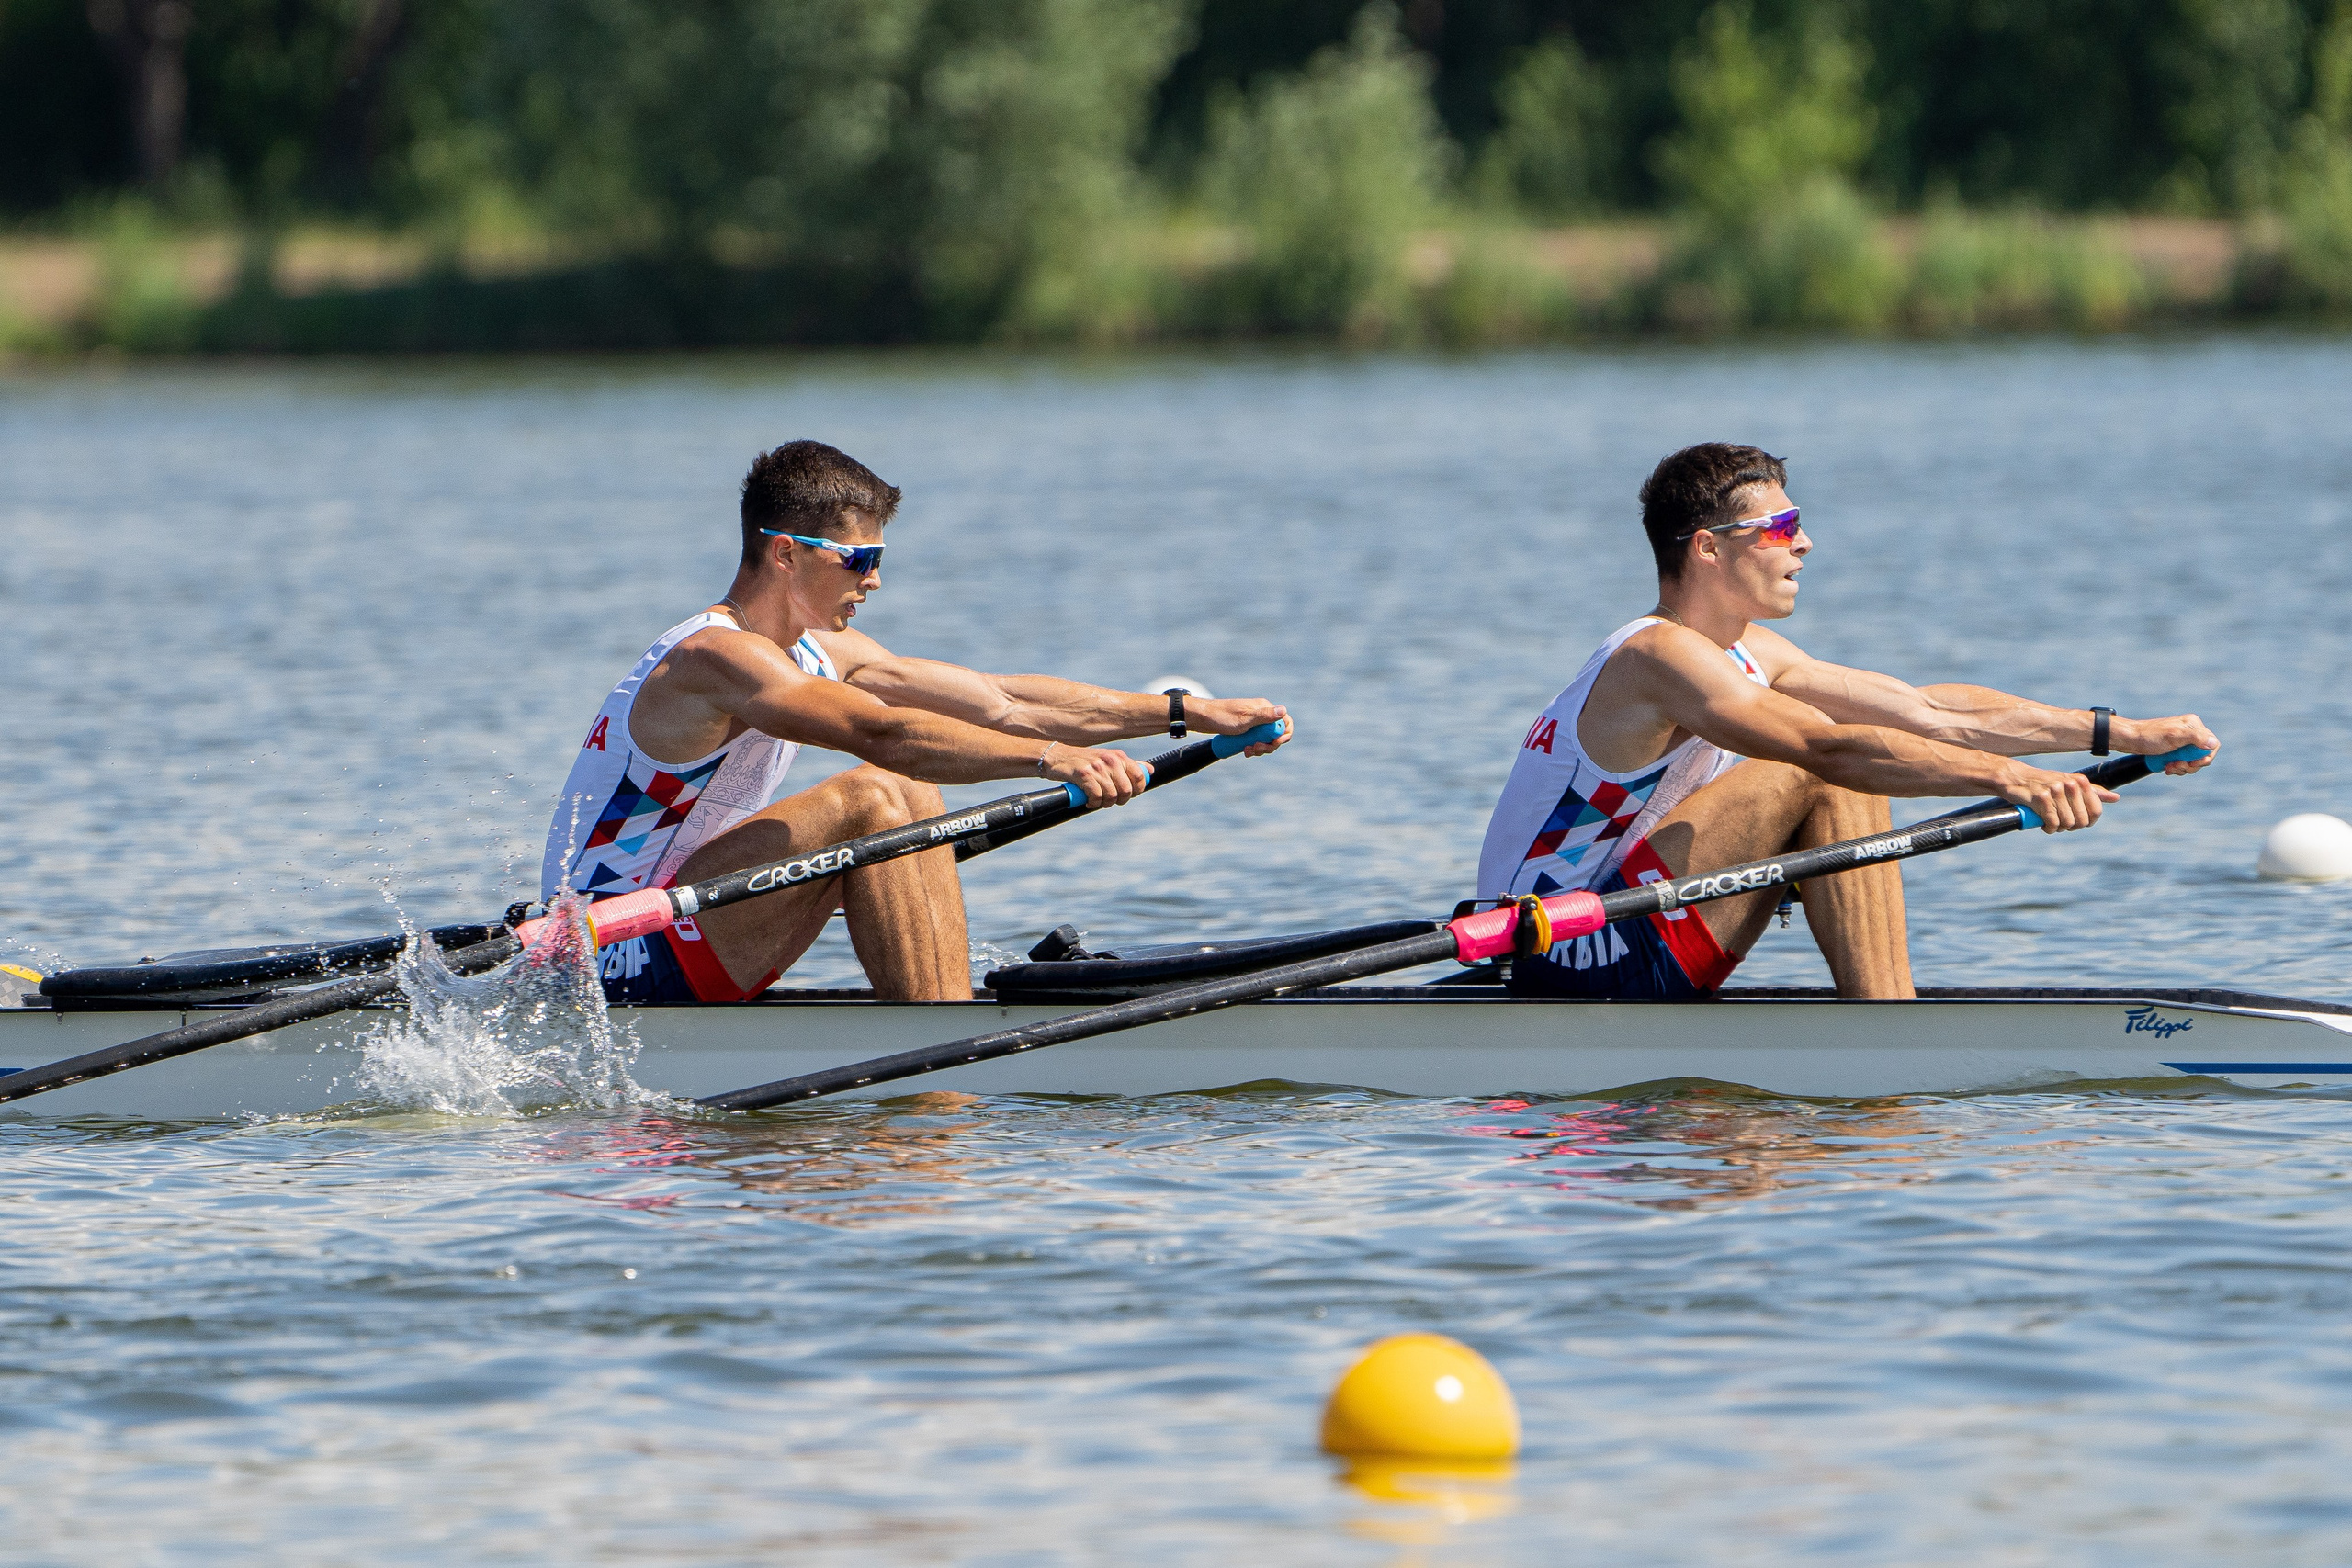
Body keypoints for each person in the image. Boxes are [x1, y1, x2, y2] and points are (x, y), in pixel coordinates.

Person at [542, 439, 1291, 1004]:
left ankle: (942, 1013)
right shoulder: (716, 657)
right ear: (784, 553)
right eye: (857, 557)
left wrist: (1185, 713)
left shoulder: (819, 650)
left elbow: (1002, 701)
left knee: (907, 800)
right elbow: (882, 734)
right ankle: (946, 1049)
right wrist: (1052, 761)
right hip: (606, 957)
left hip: (691, 922)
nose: (875, 579)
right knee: (879, 795)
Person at [1476, 442, 2215, 1001]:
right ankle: (1888, 1032)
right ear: (1707, 548)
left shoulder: (1741, 650)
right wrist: (2008, 779)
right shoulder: (1660, 656)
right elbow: (1823, 747)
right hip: (1557, 954)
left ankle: (1884, 1024)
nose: (1803, 543)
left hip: (1622, 925)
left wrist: (2121, 734)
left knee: (1863, 745)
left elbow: (1928, 711)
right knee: (1820, 767)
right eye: (1780, 526)